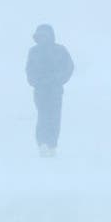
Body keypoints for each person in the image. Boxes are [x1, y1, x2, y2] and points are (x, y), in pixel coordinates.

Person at [26, 24, 74, 157]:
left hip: (55, 91)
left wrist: (59, 79)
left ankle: (52, 145)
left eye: (45, 36)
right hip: (40, 91)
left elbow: (69, 67)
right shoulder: (33, 52)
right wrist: (35, 81)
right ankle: (42, 144)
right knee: (43, 116)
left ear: (51, 36)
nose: (42, 38)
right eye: (40, 36)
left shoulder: (60, 50)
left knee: (55, 117)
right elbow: (29, 70)